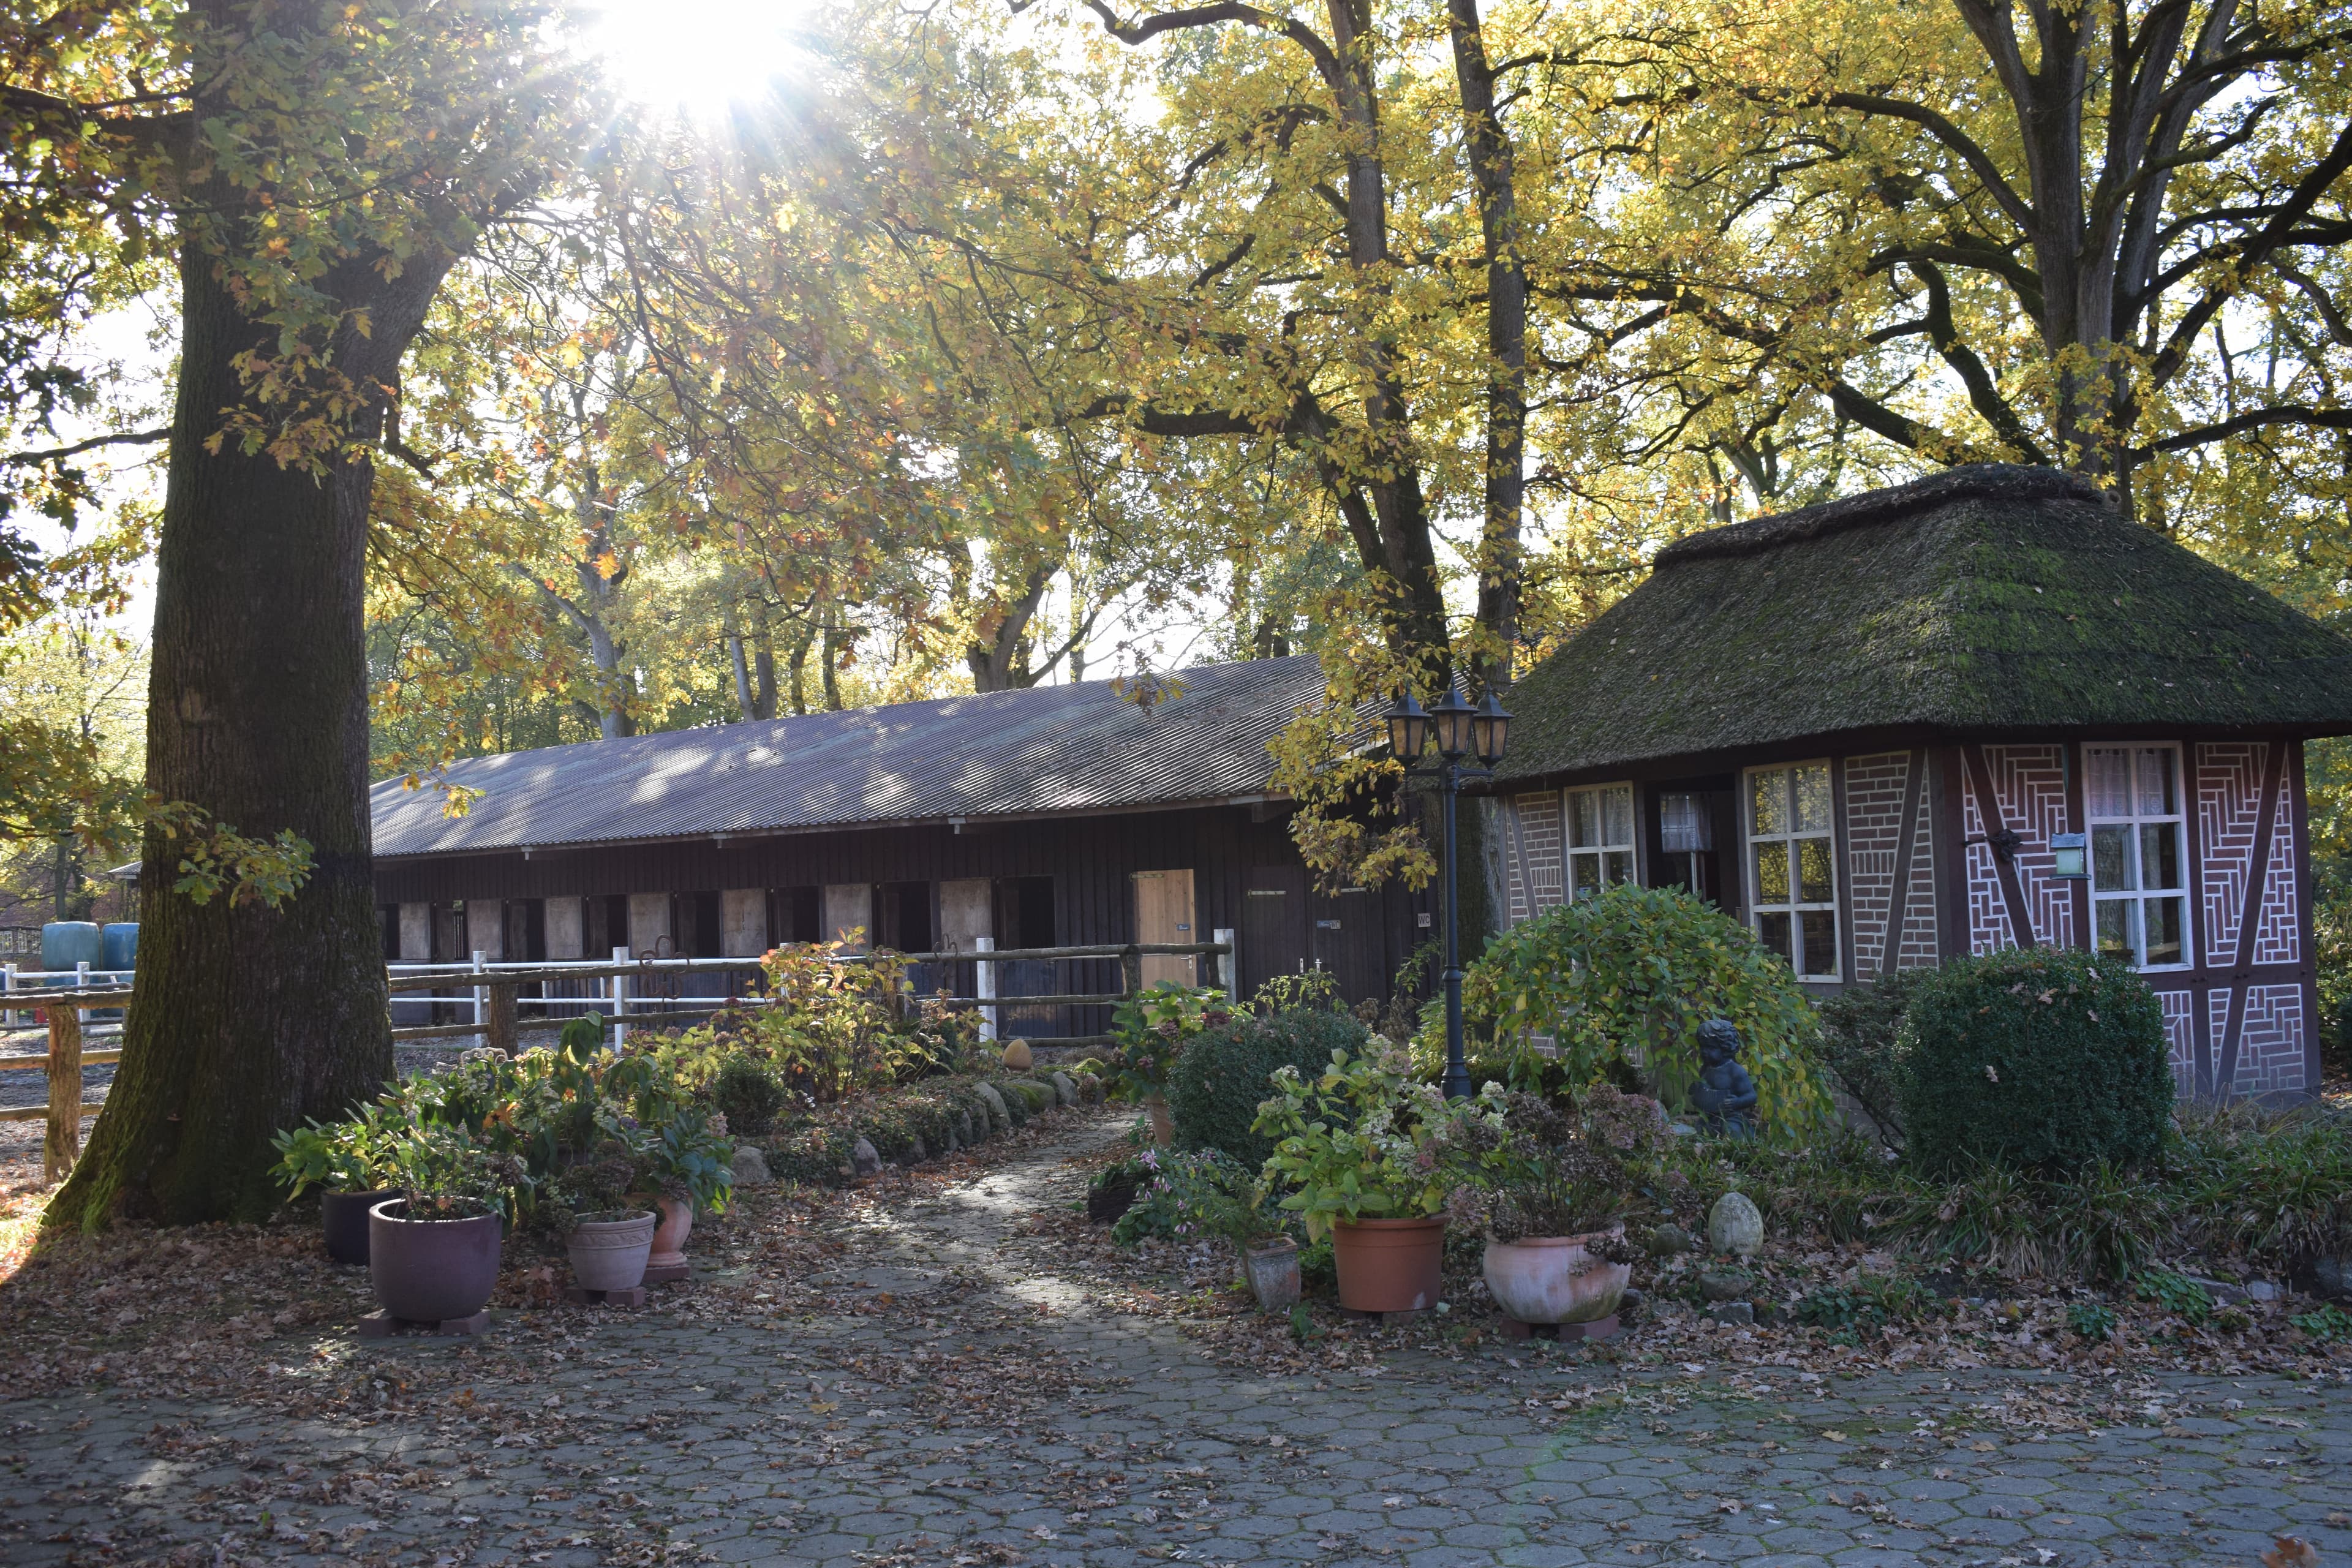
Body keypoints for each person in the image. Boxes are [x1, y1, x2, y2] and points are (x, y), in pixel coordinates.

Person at [1689, 1017, 1759, 1137]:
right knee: (1699, 1130)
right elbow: (1702, 1085)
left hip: (1731, 1117)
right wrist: (1696, 1089)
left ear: (1726, 1048)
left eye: (1711, 1048)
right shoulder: (1705, 1068)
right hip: (1710, 1117)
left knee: (1732, 1130)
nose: (1705, 1052)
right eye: (1703, 1047)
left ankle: (1734, 1152)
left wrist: (1737, 1102)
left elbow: (1752, 1096)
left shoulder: (1735, 1071)